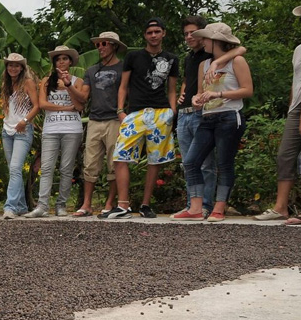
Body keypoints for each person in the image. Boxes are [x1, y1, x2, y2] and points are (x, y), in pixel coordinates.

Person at [172, 22, 252, 222]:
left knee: (224, 163)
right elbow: (200, 93)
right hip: (207, 118)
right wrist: (196, 100)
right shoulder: (204, 65)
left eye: (206, 38)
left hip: (229, 116)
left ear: (215, 40)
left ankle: (219, 208)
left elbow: (247, 90)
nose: (202, 41)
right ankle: (196, 208)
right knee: (190, 161)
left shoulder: (238, 61)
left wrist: (219, 93)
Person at [105, 18, 179, 219]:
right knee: (120, 156)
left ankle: (146, 205)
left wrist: (172, 112)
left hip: (161, 113)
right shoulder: (133, 56)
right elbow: (123, 86)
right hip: (135, 112)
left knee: (155, 160)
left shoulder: (172, 59)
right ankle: (123, 205)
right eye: (149, 32)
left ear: (163, 33)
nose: (153, 35)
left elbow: (171, 89)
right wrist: (120, 110)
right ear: (145, 35)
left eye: (157, 31)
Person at [25, 46, 84, 218]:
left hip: (72, 129)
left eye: (65, 59)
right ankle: (42, 206)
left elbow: (80, 106)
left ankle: (61, 204)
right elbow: (43, 104)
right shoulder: (46, 80)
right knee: (47, 167)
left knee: (66, 168)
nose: (61, 62)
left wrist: (68, 85)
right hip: (51, 128)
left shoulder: (77, 81)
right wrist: (66, 107)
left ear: (71, 62)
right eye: (58, 59)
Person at [256, 5, 301, 224]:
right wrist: (292, 105)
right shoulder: (298, 49)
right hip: (296, 107)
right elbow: (296, 80)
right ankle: (281, 207)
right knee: (285, 156)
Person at [74, 32, 126, 217]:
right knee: (90, 164)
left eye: (104, 44)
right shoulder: (91, 70)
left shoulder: (123, 68)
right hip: (95, 119)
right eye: (98, 44)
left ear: (114, 46)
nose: (100, 47)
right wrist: (69, 85)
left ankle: (110, 203)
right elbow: (83, 96)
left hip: (115, 120)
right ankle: (86, 204)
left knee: (114, 164)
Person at [0, 53, 40, 220]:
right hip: (6, 130)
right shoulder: (7, 84)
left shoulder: (28, 83)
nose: (12, 68)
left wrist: (25, 120)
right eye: (10, 65)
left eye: (16, 65)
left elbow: (37, 106)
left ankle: (10, 207)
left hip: (23, 130)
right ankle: (22, 206)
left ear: (22, 67)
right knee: (13, 170)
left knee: (15, 168)